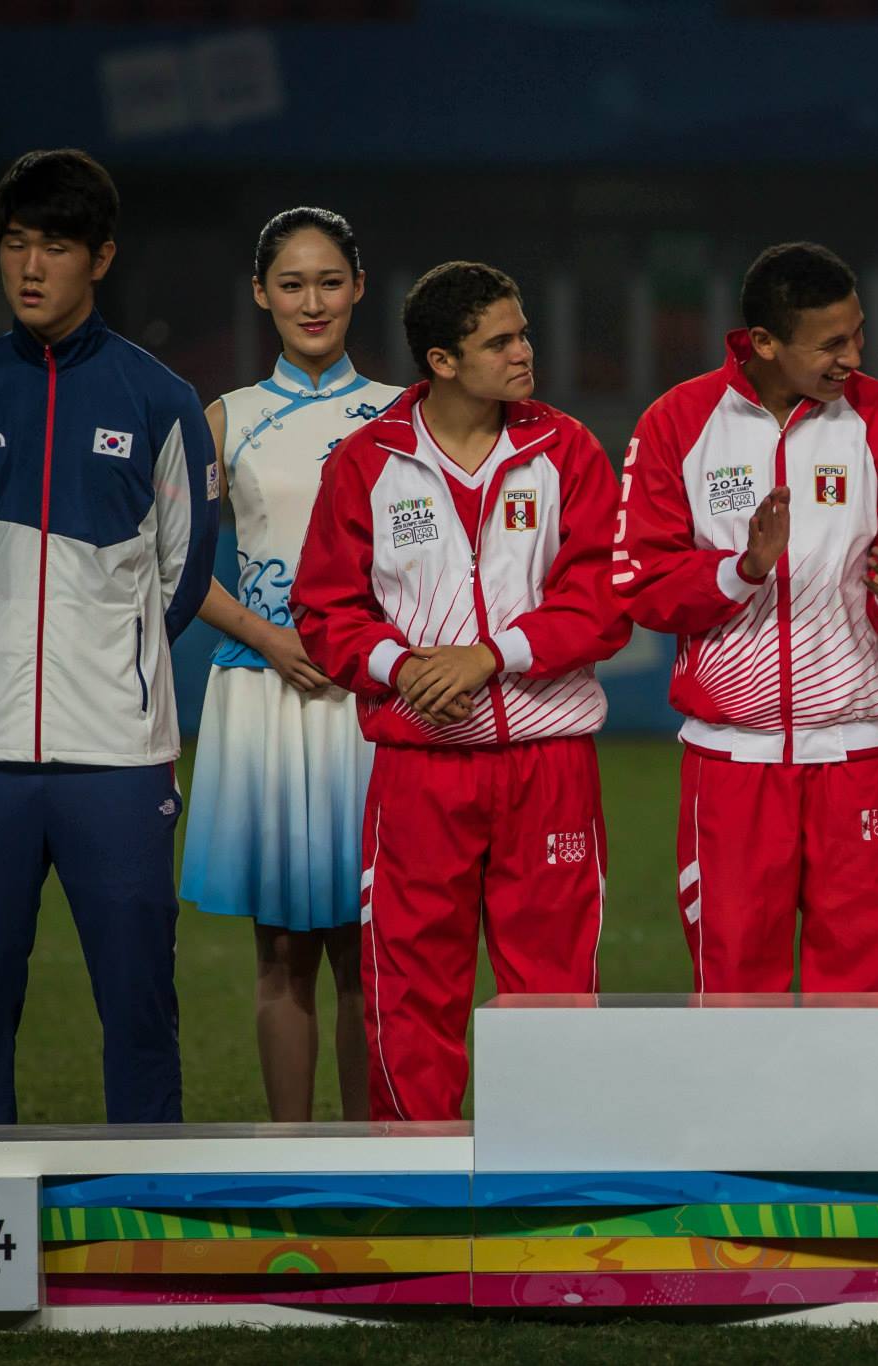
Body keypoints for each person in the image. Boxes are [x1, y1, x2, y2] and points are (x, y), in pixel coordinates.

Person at [0, 148, 218, 1123]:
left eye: (55, 245)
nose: (30, 266)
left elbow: (184, 571)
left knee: (138, 1010)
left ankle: (150, 1250)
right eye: (13, 244)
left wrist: (107, 664)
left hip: (117, 760)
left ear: (102, 257)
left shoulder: (160, 401)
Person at [292, 261, 630, 1120]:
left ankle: (546, 1180)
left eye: (523, 334)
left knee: (552, 991)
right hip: (421, 765)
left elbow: (602, 600)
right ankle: (419, 1183)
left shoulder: (567, 449)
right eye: (501, 341)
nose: (525, 353)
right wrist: (402, 669)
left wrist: (492, 656)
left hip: (549, 760)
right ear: (442, 361)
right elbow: (326, 610)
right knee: (410, 984)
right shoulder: (366, 463)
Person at [611, 242, 878, 993]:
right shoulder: (678, 422)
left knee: (861, 988)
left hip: (858, 759)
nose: (852, 357)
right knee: (735, 987)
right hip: (732, 764)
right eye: (830, 343)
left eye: (858, 333)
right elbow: (640, 583)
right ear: (763, 342)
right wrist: (743, 571)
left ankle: (851, 1119)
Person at [179, 208, 402, 1121]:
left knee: (368, 948)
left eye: (329, 282)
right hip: (265, 696)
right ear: (263, 295)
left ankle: (370, 1160)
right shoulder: (222, 418)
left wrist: (369, 648)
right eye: (292, 284)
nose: (312, 301)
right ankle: (291, 1155)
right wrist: (272, 639)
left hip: (368, 698)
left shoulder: (403, 412)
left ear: (358, 287)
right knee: (279, 951)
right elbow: (178, 562)